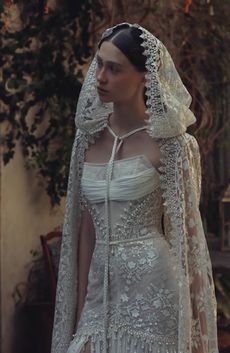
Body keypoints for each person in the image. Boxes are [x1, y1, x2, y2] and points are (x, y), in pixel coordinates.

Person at [51, 23, 219, 353]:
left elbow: (189, 240)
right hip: (99, 297)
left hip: (154, 296)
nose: (100, 77)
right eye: (99, 64)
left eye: (114, 69)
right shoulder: (86, 141)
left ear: (145, 76)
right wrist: (83, 307)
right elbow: (86, 233)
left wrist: (198, 333)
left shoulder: (171, 145)